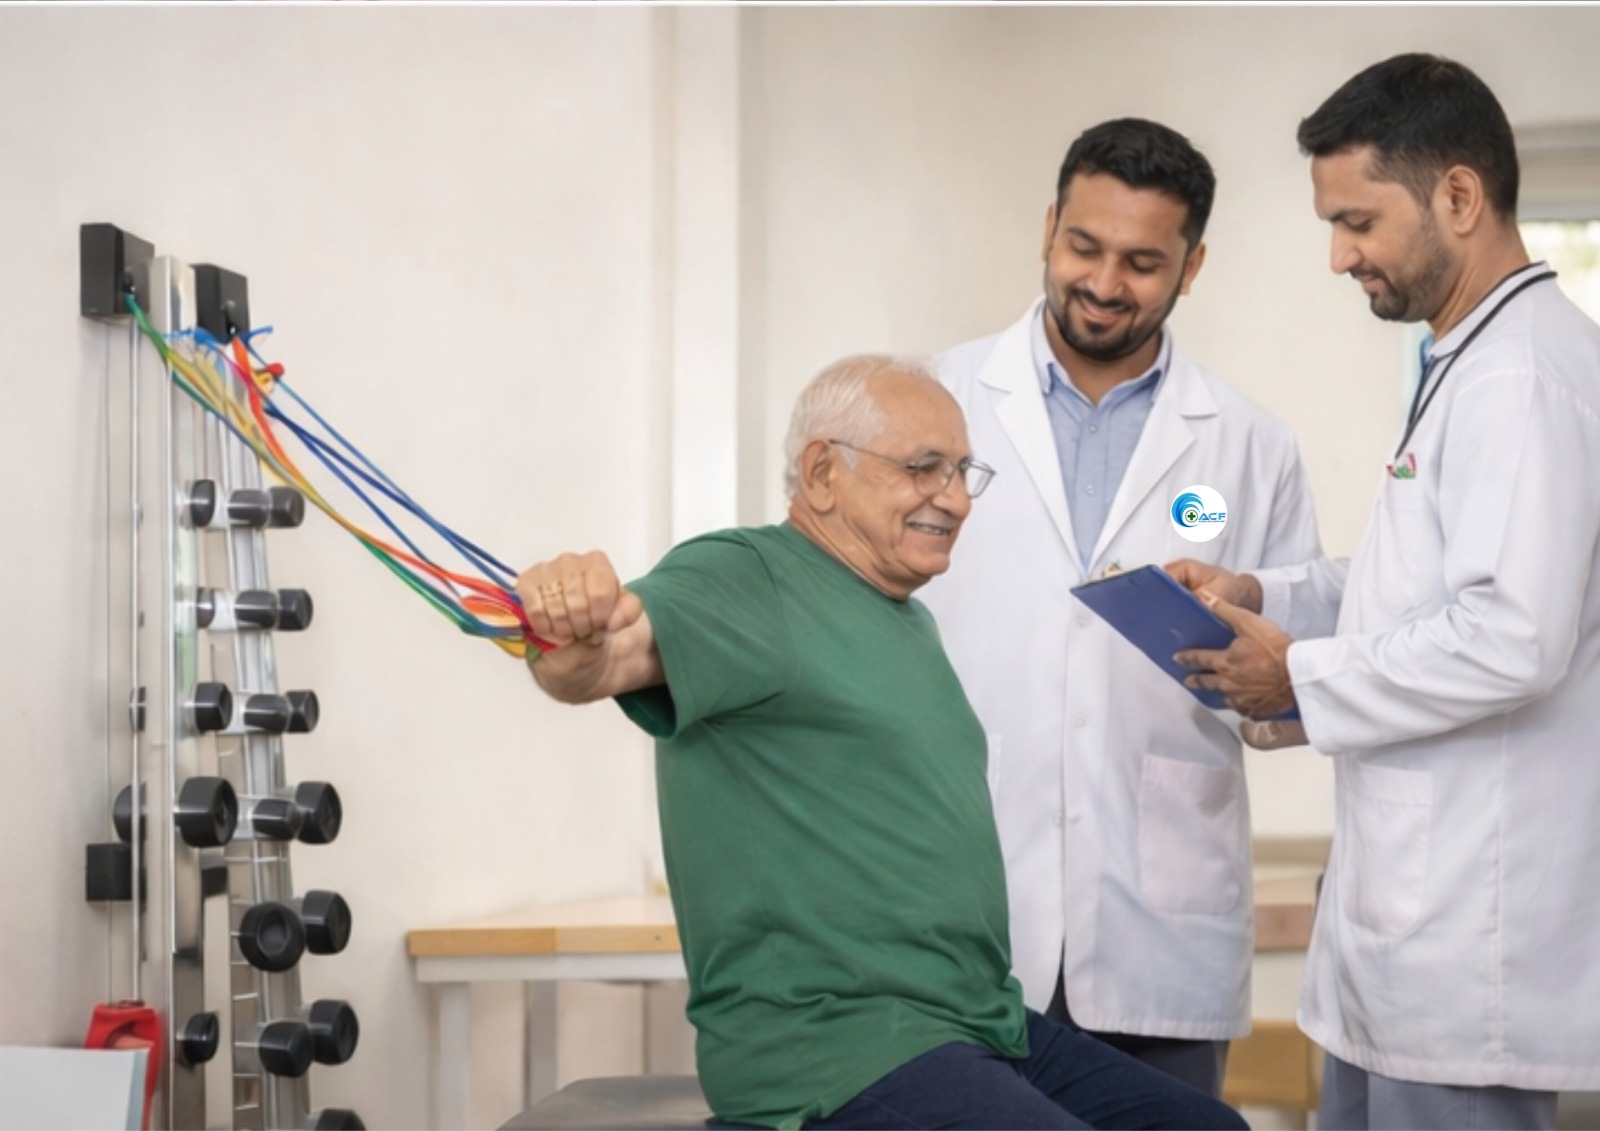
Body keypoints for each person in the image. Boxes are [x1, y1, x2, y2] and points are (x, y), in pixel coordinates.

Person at [516, 355, 1247, 1131]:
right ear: (823, 472)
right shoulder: (747, 574)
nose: (957, 499)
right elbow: (607, 657)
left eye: (965, 471)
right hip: (835, 1045)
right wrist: (570, 631)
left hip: (977, 1022)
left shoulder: (904, 615)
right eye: (924, 468)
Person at [1169, 54, 1600, 1131]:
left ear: (1458, 196)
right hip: (1406, 934)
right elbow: (1421, 586)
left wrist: (1295, 676)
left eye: (1356, 221)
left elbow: (1513, 635)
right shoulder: (1468, 356)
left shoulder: (1522, 376)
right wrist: (1262, 590)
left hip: (1466, 937)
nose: (1336, 256)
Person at [916, 116, 1323, 1097]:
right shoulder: (936, 399)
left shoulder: (1249, 445)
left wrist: (1273, 677)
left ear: (1192, 266)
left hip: (1158, 924)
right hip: (965, 911)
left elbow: (1288, 683)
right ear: (1049, 225)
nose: (1103, 283)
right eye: (1084, 247)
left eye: (1142, 261)